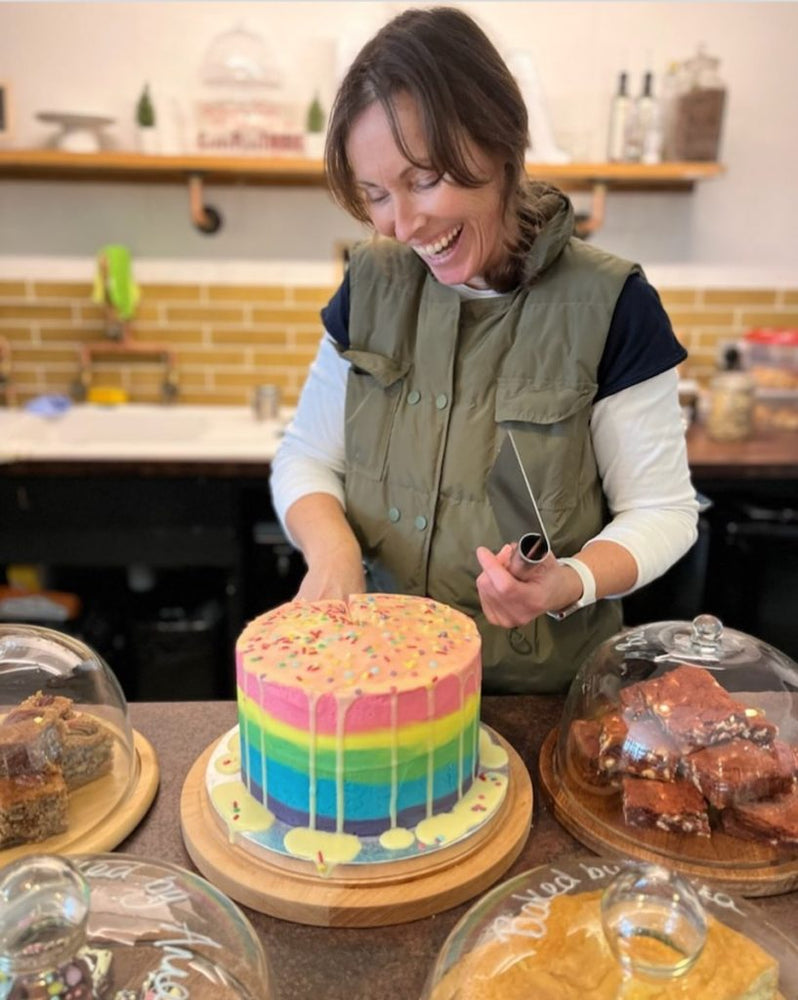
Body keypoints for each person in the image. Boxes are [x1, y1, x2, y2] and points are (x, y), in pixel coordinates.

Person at [270, 6, 698, 694]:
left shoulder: (612, 303)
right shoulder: (370, 285)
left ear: (500, 144)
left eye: (425, 180)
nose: (403, 224)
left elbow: (664, 512)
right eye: (377, 193)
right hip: (380, 683)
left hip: (540, 702)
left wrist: (570, 581)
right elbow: (308, 456)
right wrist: (334, 552)